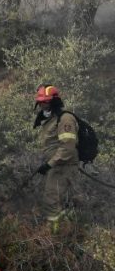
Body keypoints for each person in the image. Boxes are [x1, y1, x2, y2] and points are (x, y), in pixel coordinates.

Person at [33, 84, 79, 231]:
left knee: (52, 199)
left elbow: (68, 147)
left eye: (45, 101)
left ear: (54, 101)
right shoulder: (50, 119)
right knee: (56, 198)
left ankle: (55, 234)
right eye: (40, 102)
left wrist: (49, 164)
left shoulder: (65, 119)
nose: (42, 104)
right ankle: (66, 228)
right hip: (55, 165)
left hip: (62, 166)